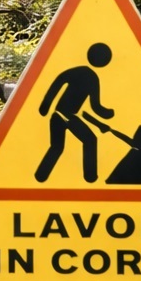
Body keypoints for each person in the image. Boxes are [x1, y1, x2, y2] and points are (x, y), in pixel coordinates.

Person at [34, 42, 115, 184]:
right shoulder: (92, 77)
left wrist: (45, 107)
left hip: (58, 116)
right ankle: (90, 177)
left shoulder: (81, 72)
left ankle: (40, 176)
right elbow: (95, 106)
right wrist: (107, 113)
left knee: (57, 147)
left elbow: (59, 81)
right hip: (68, 117)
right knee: (90, 140)